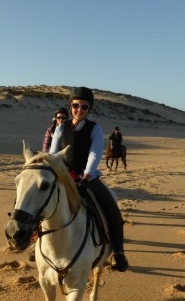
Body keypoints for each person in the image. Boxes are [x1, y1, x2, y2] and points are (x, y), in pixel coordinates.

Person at [49, 87, 129, 272]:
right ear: (70, 106)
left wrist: (87, 174)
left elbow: (94, 153)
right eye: (76, 105)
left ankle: (118, 253)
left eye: (84, 106)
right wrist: (54, 171)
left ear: (89, 109)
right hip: (63, 176)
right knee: (40, 201)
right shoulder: (61, 127)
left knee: (113, 213)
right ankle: (34, 241)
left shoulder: (95, 128)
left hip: (87, 178)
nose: (79, 110)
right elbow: (53, 153)